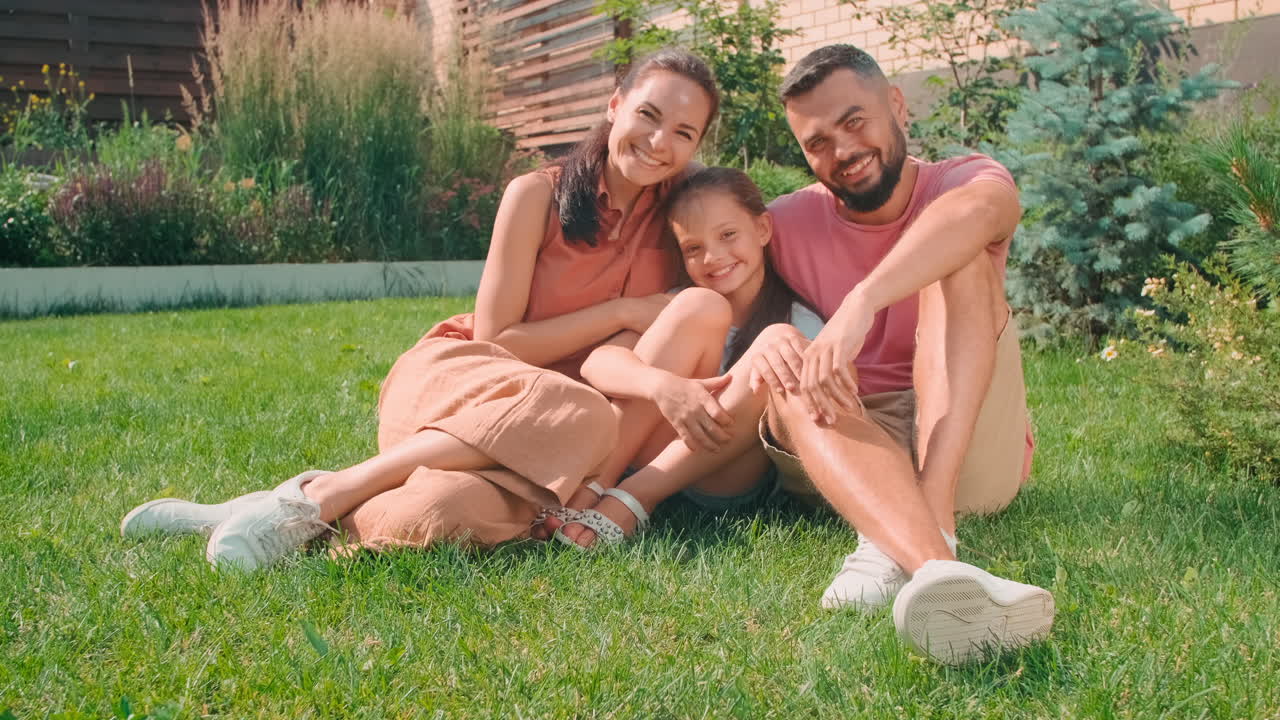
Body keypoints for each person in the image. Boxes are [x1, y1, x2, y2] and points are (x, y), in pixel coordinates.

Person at [118, 48, 722, 569]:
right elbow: (501, 340)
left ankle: (268, 511)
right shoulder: (535, 195)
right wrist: (624, 309)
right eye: (648, 114)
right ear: (615, 104)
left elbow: (739, 246)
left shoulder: (682, 215)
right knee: (583, 411)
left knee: (440, 512)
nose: (659, 141)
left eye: (684, 133)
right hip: (475, 386)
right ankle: (327, 498)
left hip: (561, 438)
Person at [561, 44, 1054, 666]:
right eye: (817, 141)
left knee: (961, 259)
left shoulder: (964, 181)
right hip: (841, 437)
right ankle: (934, 568)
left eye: (855, 122)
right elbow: (701, 248)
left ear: (896, 106)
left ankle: (921, 530)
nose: (841, 151)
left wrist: (863, 301)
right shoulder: (783, 222)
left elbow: (986, 212)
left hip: (966, 434)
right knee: (783, 347)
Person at [541, 166, 824, 546]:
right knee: (700, 305)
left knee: (777, 341)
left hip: (727, 472)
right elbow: (599, 362)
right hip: (650, 447)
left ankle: (632, 500)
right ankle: (594, 482)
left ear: (762, 230)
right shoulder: (682, 304)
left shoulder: (800, 320)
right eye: (694, 248)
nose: (714, 257)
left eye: (728, 235)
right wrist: (665, 387)